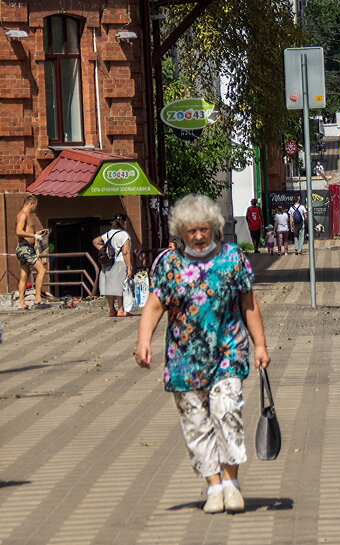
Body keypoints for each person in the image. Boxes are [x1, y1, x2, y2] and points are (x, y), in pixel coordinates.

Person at [135, 193, 270, 515]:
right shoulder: (170, 264)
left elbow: (249, 304)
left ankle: (232, 485)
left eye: (203, 229)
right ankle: (213, 487)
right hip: (184, 357)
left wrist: (261, 344)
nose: (197, 236)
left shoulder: (233, 258)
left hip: (228, 351)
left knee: (228, 413)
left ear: (214, 228)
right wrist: (144, 341)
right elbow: (155, 305)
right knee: (196, 424)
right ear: (181, 232)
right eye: (191, 230)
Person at [93, 214, 133, 318]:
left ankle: (111, 309)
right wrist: (129, 267)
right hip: (119, 262)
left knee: (109, 287)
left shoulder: (108, 234)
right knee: (120, 286)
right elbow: (126, 252)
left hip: (107, 262)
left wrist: (103, 249)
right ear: (124, 222)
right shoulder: (124, 235)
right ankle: (120, 309)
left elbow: (95, 241)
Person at [14, 194, 49, 309]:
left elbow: (27, 230)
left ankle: (21, 303)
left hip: (28, 247)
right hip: (25, 248)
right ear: (31, 204)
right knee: (42, 270)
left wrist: (39, 233)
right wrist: (34, 235)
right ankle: (38, 299)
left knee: (24, 276)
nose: (36, 207)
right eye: (35, 205)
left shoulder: (28, 215)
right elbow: (18, 231)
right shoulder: (23, 214)